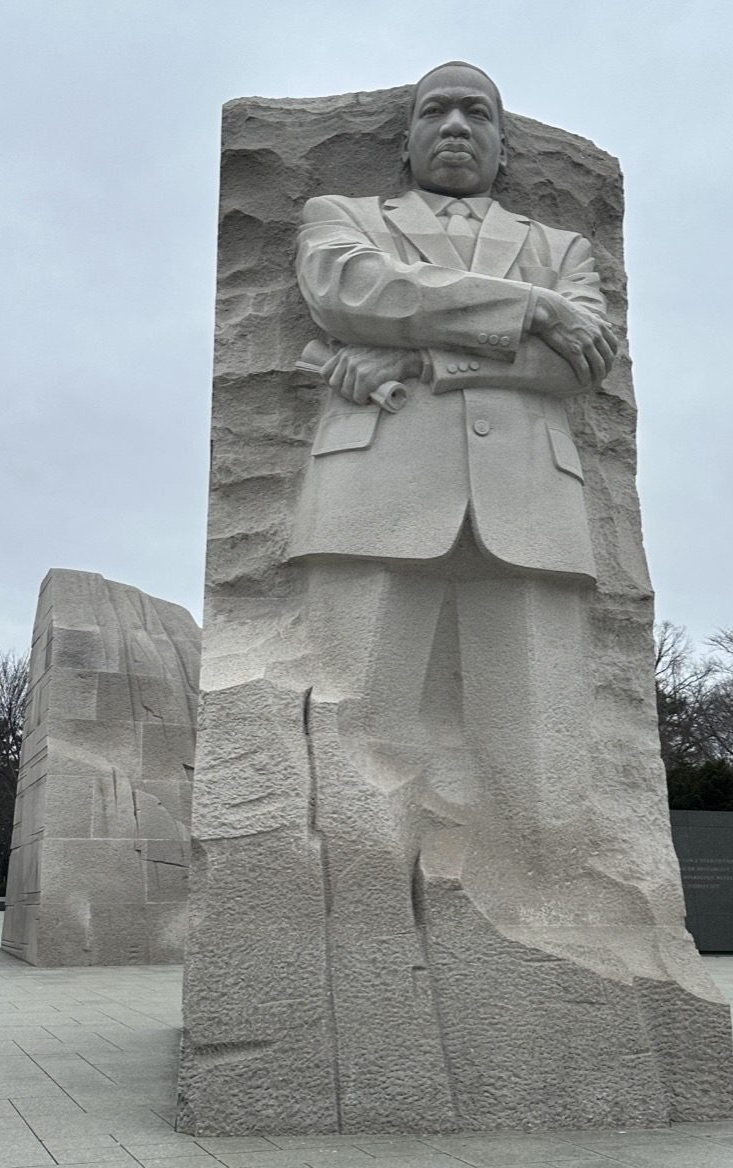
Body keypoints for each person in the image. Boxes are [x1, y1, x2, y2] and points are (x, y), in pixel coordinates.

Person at [289, 60, 619, 930]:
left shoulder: (566, 249)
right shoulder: (343, 220)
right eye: (436, 111)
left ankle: (549, 933)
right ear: (406, 140)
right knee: (354, 730)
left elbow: (579, 362)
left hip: (532, 506)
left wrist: (422, 356)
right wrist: (530, 307)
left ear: (504, 146)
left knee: (541, 753)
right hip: (371, 497)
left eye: (478, 112)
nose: (456, 125)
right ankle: (350, 928)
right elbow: (348, 292)